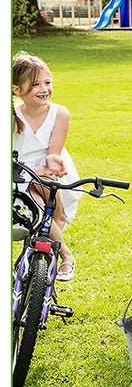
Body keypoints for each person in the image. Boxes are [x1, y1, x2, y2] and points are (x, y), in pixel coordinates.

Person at [12, 53, 80, 281]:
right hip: (19, 173)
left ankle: (48, 248)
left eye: (47, 82)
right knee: (39, 202)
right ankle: (66, 256)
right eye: (35, 85)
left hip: (50, 173)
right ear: (16, 90)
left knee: (46, 195)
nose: (44, 89)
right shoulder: (12, 115)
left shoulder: (60, 113)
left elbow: (53, 151)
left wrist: (52, 160)